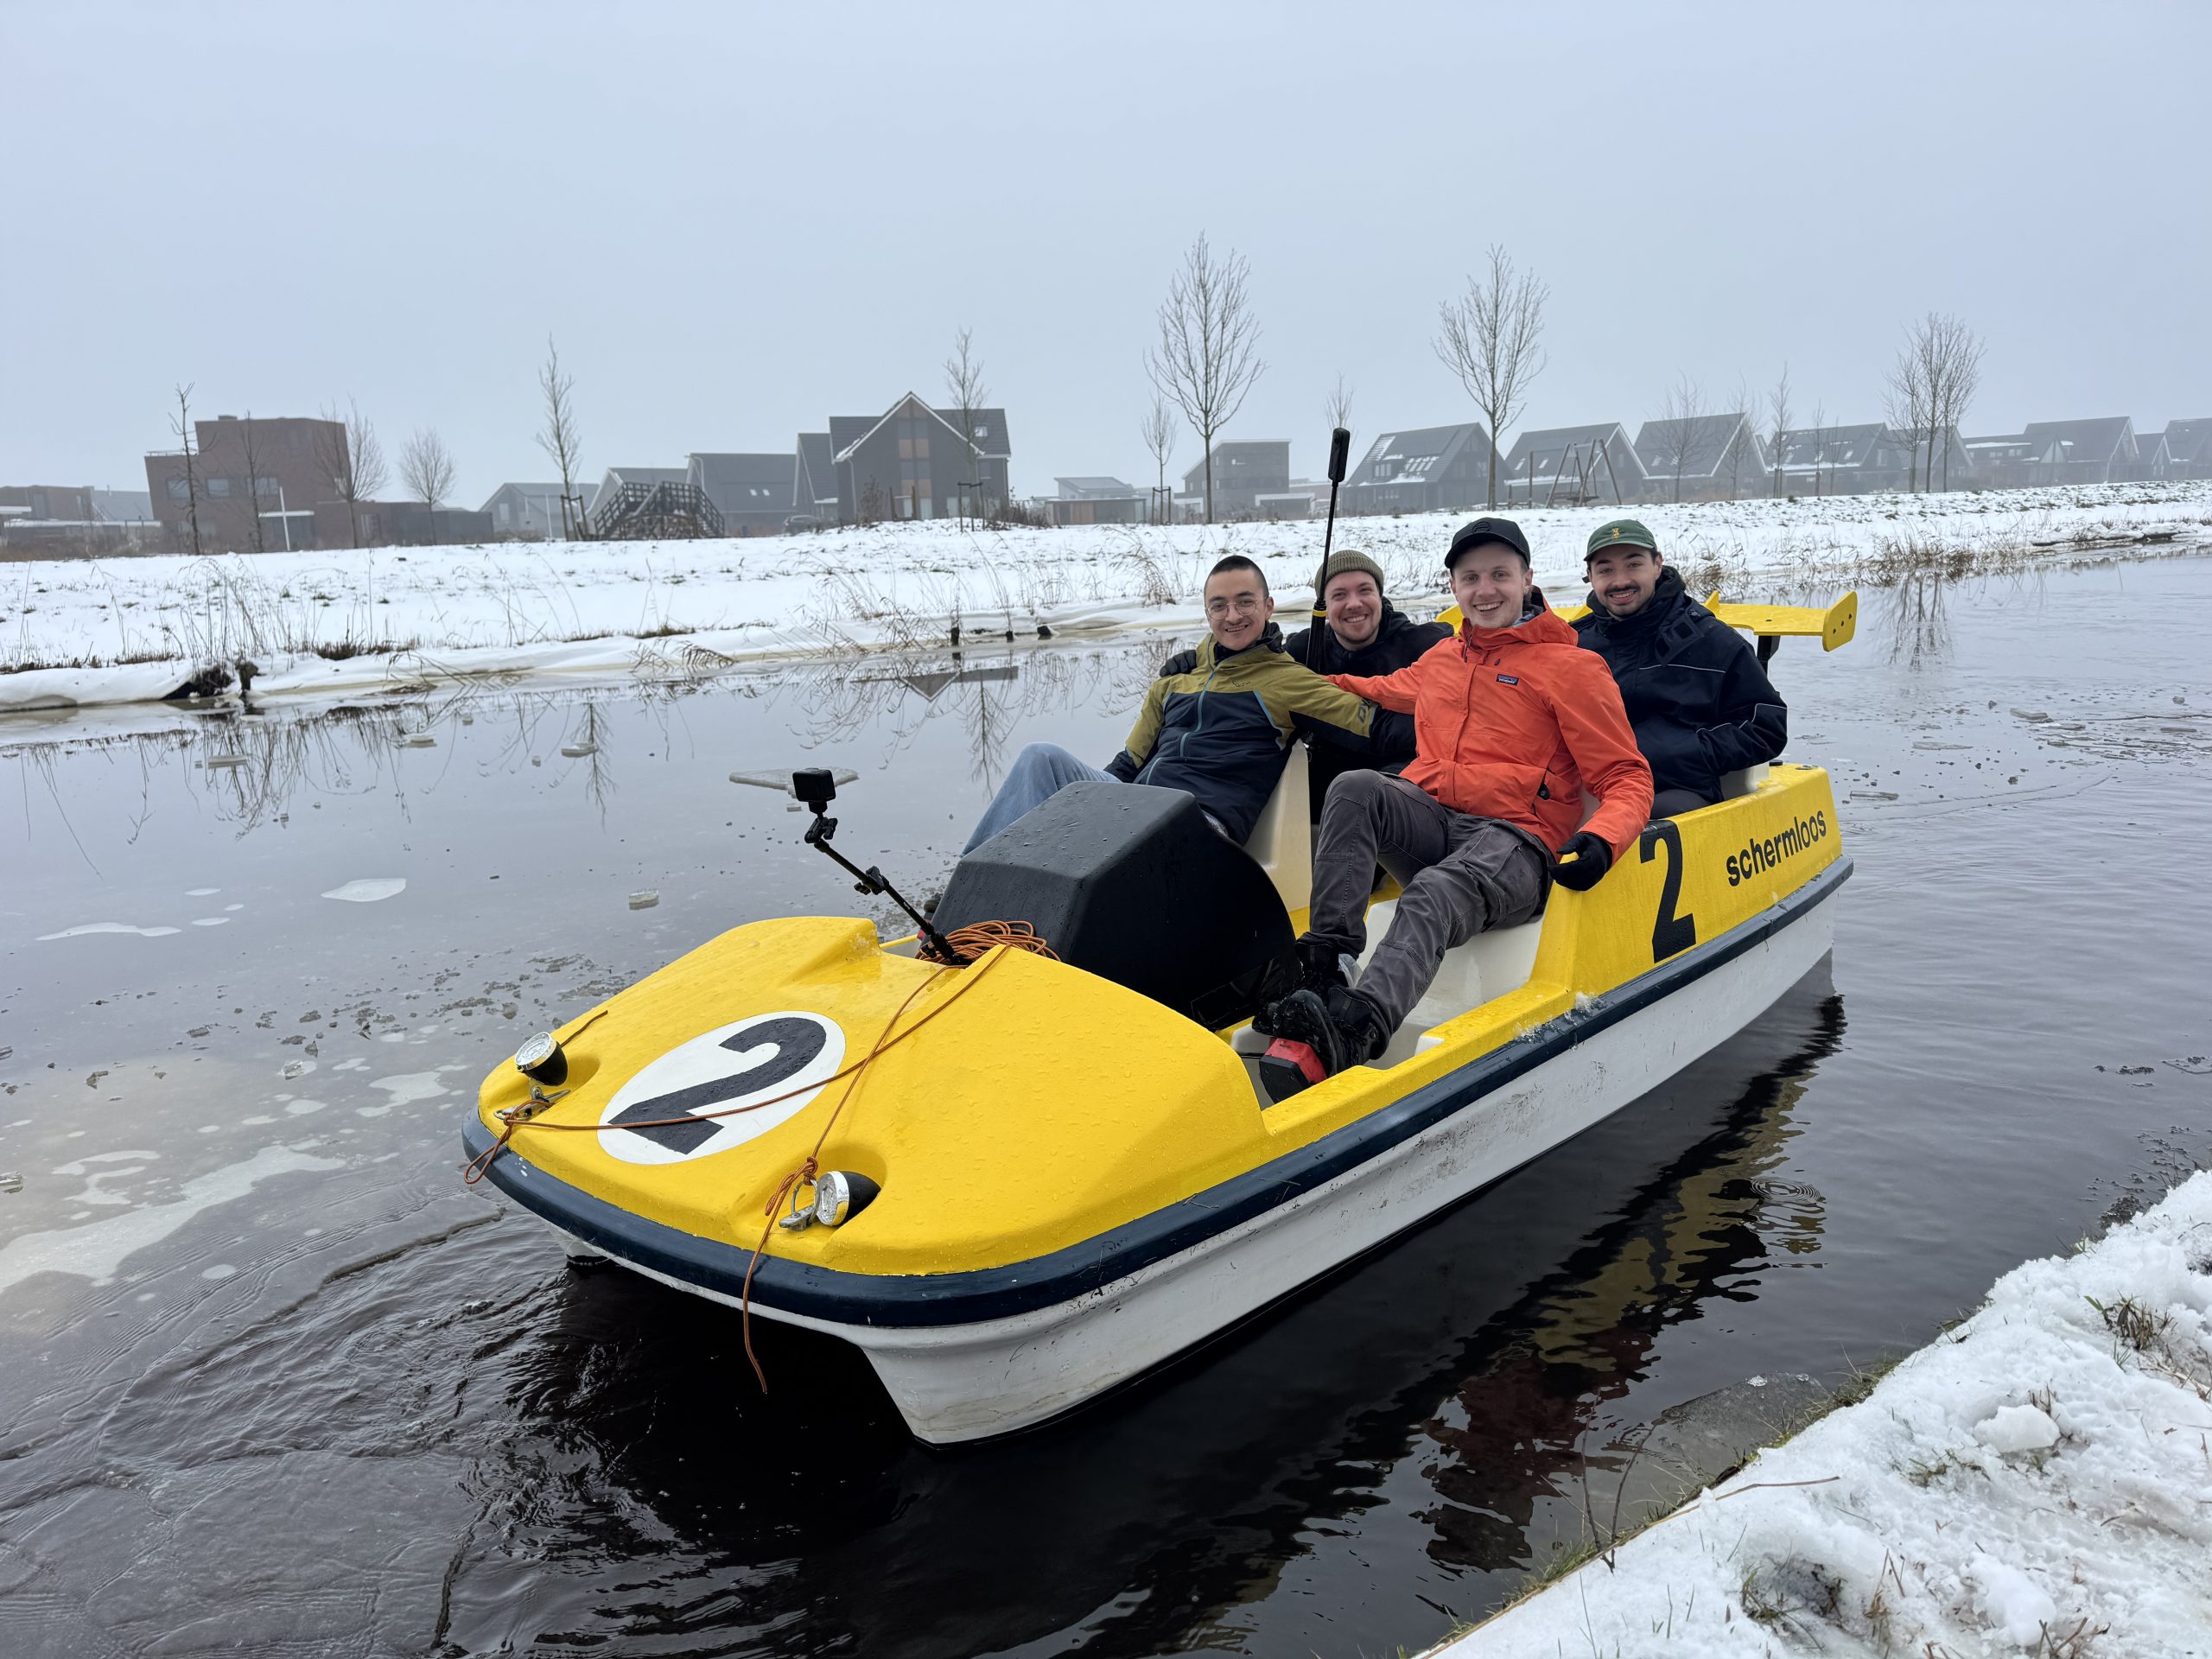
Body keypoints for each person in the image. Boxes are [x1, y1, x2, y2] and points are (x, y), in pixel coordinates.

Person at [1254, 517, 1654, 1099]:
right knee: (1356, 786)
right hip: (1438, 823)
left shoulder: (1574, 669)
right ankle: (1325, 963)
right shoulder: (1444, 659)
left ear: (1527, 579)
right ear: (1454, 588)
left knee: (1435, 891)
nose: (1485, 590)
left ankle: (1357, 1028)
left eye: (1499, 575)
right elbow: (1373, 688)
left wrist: (1603, 838)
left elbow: (1626, 776)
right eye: (1471, 578)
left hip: (1517, 843)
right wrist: (1258, 676)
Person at [961, 555, 1376, 853]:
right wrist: (1087, 803)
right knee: (1040, 757)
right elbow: (1128, 762)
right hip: (1138, 809)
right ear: (1207, 614)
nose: (1233, 615)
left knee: (1153, 810)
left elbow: (1369, 723)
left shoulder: (1289, 679)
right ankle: (972, 886)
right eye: (1219, 605)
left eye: (1246, 601)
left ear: (1267, 607)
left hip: (1199, 823)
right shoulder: (1173, 681)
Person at [1155, 548, 1452, 817]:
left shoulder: (1427, 644)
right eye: (1339, 595)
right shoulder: (1304, 650)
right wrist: (1201, 663)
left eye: (1365, 591)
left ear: (1380, 595)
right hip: (1328, 773)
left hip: (1407, 767)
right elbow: (1256, 665)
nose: (1354, 604)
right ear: (1324, 605)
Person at [1573, 519, 1787, 817]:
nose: (1620, 581)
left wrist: (1683, 751)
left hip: (1674, 788)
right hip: (1587, 787)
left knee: (1625, 824)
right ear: (1590, 577)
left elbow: (1766, 727)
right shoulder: (1572, 644)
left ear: (1657, 565)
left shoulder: (1714, 641)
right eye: (1606, 570)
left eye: (1634, 565)